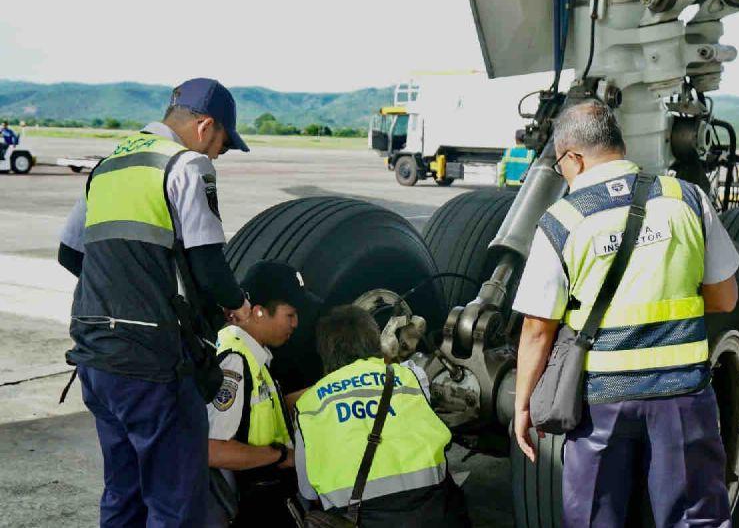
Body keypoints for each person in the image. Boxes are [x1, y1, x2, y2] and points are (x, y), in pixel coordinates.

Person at [512, 101, 739, 527]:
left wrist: (523, 405)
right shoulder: (687, 198)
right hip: (682, 393)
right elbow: (725, 298)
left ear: (574, 158)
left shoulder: (562, 220)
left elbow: (537, 328)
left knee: (595, 517)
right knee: (696, 519)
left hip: (601, 401)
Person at [57, 78, 252, 527]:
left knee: (123, 494)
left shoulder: (109, 166)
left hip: (95, 356)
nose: (217, 155)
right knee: (174, 504)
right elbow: (209, 266)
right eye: (222, 144)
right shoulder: (185, 165)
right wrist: (239, 306)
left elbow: (70, 253)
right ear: (205, 127)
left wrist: (120, 293)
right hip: (152, 365)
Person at [294, 305, 471, 528]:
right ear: (374, 341)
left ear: (325, 352)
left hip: (358, 520)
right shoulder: (411, 376)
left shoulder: (308, 405)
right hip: (433, 511)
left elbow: (308, 491)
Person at [206, 260, 316, 527]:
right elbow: (213, 450)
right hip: (253, 507)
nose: (295, 323)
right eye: (290, 315)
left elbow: (261, 412)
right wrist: (280, 456)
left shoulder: (255, 357)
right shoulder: (235, 362)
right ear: (258, 311)